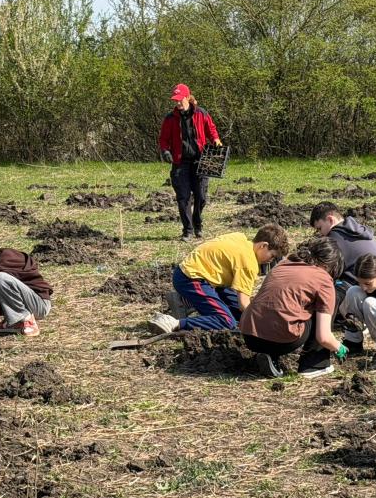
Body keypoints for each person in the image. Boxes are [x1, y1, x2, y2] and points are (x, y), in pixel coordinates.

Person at [239, 237, 349, 379]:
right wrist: (339, 347)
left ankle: (270, 356)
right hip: (281, 340)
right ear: (330, 266)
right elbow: (324, 337)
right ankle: (314, 365)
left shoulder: (284, 264)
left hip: (249, 334)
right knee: (323, 306)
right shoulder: (324, 279)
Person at [148, 224, 289, 334]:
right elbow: (244, 303)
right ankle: (175, 323)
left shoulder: (240, 238)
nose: (271, 261)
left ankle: (183, 301)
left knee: (240, 316)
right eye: (272, 256)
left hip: (201, 276)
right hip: (191, 279)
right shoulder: (249, 262)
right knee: (226, 321)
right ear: (263, 245)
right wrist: (262, 323)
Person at [310, 201, 376, 354]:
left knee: (328, 291)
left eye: (320, 228)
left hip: (364, 286)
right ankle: (353, 336)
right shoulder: (357, 230)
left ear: (330, 219)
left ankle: (325, 334)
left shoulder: (335, 238)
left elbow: (326, 272)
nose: (321, 234)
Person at [158, 83, 222, 240]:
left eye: (180, 99)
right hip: (180, 163)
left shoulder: (201, 113)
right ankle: (188, 230)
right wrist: (165, 151)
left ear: (187, 97)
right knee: (183, 197)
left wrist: (215, 139)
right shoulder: (170, 119)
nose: (178, 103)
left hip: (200, 161)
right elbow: (163, 139)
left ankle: (197, 224)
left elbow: (211, 129)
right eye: (176, 100)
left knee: (201, 196)